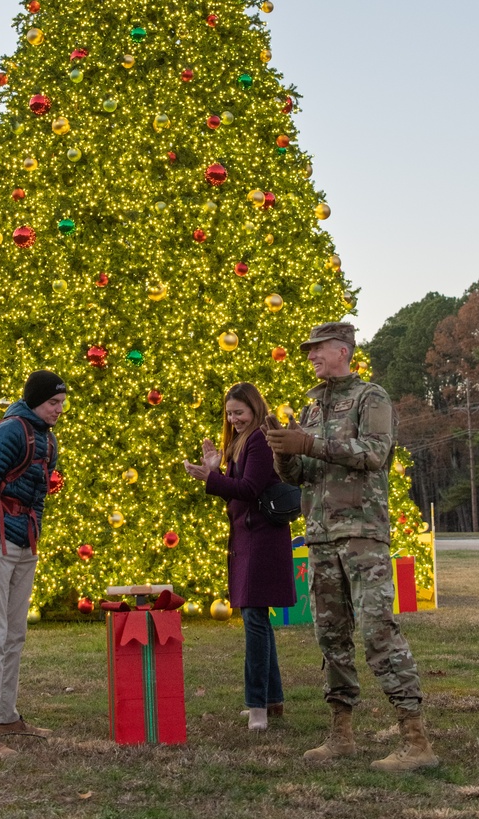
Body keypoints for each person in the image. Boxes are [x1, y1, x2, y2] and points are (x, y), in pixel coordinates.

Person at [265, 323, 439, 772]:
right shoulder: (312, 406)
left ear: (342, 350)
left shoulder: (370, 397)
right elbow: (300, 475)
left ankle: (415, 740)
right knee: (331, 636)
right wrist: (285, 453)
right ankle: (340, 733)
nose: (311, 357)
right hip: (320, 535)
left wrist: (312, 444)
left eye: (317, 349)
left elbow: (374, 452)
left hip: (361, 531)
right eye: (308, 351)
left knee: (377, 630)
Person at [0, 369, 66, 759]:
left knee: (14, 633)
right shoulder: (11, 432)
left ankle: (5, 716)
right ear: (35, 400)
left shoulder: (47, 438)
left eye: (61, 403)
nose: (58, 410)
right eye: (52, 402)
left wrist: (32, 536)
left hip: (24, 541)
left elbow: (39, 492)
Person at [184, 382, 296, 732]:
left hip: (262, 540)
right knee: (256, 618)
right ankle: (272, 700)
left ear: (255, 409)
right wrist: (217, 468)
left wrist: (213, 478)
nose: (234, 419)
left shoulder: (260, 439)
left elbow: (249, 490)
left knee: (255, 621)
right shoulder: (239, 441)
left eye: (240, 412)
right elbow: (240, 490)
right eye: (230, 414)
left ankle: (258, 706)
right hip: (248, 538)